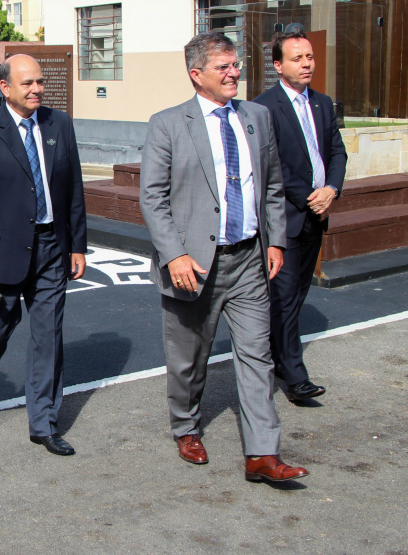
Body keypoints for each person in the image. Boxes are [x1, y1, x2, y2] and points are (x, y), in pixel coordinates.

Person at [138, 32, 309, 482]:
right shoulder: (167, 124)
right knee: (187, 360)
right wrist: (174, 255)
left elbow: (272, 185)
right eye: (224, 67)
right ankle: (186, 427)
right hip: (193, 266)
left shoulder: (257, 117)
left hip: (249, 259)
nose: (235, 73)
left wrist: (275, 241)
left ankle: (262, 454)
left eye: (236, 65)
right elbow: (152, 198)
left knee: (257, 356)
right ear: (196, 74)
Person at [0, 54, 87, 456]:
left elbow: (73, 188)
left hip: (51, 248)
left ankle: (44, 423)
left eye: (40, 82)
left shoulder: (59, 124)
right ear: (5, 87)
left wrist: (77, 245)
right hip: (1, 257)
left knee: (48, 337)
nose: (36, 89)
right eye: (27, 83)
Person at [253, 30, 347, 402]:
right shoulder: (264, 108)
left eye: (309, 57)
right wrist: (309, 196)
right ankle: (295, 376)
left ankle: (277, 358)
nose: (307, 64)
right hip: (284, 218)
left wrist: (332, 189)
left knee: (296, 294)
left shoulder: (322, 103)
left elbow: (337, 152)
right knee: (284, 297)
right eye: (297, 58)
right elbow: (270, 164)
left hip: (317, 216)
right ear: (278, 65)